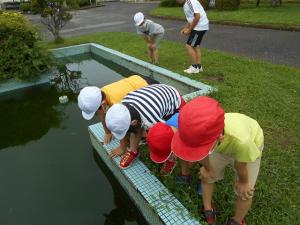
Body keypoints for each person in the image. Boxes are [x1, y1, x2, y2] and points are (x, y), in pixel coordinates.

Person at [171, 96, 264, 225]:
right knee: (207, 176)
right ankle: (208, 208)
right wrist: (208, 169)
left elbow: (240, 165)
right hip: (219, 145)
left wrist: (243, 182)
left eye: (200, 148)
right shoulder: (198, 131)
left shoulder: (243, 142)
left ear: (218, 138)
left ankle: (237, 220)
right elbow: (201, 154)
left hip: (249, 146)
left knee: (245, 191)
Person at [105, 84, 186, 169]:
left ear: (134, 122)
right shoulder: (123, 106)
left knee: (165, 136)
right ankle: (133, 151)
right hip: (157, 93)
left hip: (175, 102)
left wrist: (173, 146)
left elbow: (171, 133)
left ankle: (171, 159)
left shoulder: (152, 120)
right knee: (135, 128)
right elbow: (135, 125)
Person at [78, 75, 158, 145]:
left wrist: (122, 148)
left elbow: (121, 122)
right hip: (139, 79)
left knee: (136, 123)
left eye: (95, 113)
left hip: (152, 89)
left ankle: (144, 135)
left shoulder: (117, 103)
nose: (96, 115)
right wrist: (108, 133)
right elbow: (103, 113)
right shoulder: (100, 93)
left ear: (103, 105)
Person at [176, 0, 209, 74]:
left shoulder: (190, 2)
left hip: (199, 27)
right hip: (200, 26)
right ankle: (199, 67)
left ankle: (194, 67)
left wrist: (189, 30)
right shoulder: (186, 4)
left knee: (189, 46)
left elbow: (197, 16)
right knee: (196, 46)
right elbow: (191, 18)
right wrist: (186, 27)